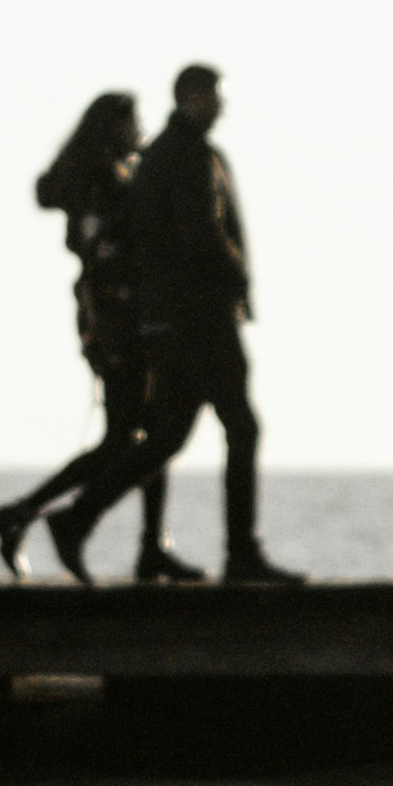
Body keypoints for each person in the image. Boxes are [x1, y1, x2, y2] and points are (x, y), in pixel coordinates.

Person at [127, 61, 300, 587]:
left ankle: (115, 532)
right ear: (190, 97)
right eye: (212, 97)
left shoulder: (179, 154)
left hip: (189, 316)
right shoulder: (185, 156)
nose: (220, 106)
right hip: (202, 317)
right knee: (234, 429)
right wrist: (234, 272)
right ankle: (240, 551)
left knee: (168, 435)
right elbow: (199, 232)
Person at [0, 93, 162, 582]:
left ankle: (148, 545)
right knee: (134, 435)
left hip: (111, 316)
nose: (140, 131)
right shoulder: (104, 183)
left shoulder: (100, 179)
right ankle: (27, 513)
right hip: (115, 320)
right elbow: (110, 250)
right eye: (134, 124)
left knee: (143, 431)